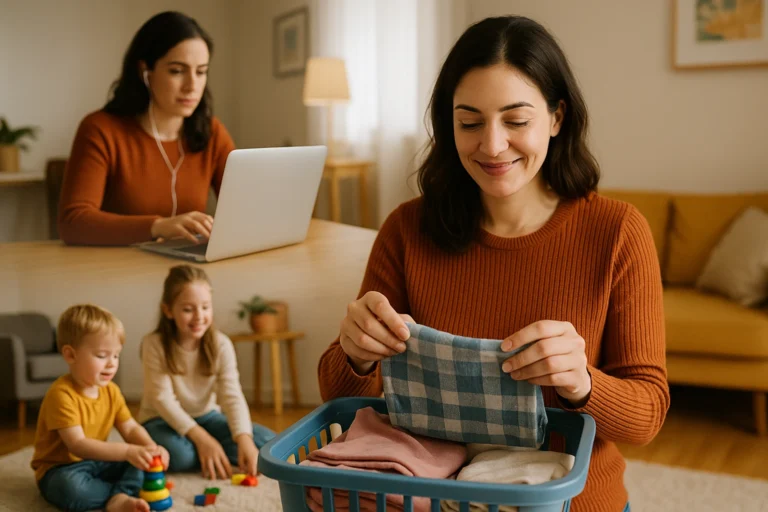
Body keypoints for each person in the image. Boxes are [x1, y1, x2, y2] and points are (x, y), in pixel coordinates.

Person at [317, 16, 668, 512]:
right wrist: (356, 355)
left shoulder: (617, 233)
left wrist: (582, 383)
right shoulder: (406, 229)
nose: (493, 144)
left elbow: (647, 415)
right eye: (470, 122)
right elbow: (339, 395)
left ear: (557, 118)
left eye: (516, 121)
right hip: (437, 500)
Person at [58, 11, 235, 246]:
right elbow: (73, 222)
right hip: (115, 272)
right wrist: (157, 226)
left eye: (201, 72)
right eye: (177, 71)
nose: (192, 86)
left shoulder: (212, 131)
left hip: (188, 275)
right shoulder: (100, 130)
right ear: (145, 72)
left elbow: (243, 210)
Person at [138, 265, 275, 480]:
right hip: (159, 420)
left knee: (267, 441)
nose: (199, 316)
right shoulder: (154, 344)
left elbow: (232, 396)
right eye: (187, 309)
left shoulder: (221, 344)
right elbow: (162, 400)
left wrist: (244, 439)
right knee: (182, 455)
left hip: (207, 417)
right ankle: (202, 449)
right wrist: (203, 440)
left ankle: (210, 450)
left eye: (205, 307)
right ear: (168, 310)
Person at [31, 304, 169, 512]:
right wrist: (128, 451)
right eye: (102, 355)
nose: (112, 364)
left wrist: (151, 448)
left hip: (99, 462)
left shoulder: (111, 391)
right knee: (71, 490)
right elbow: (77, 445)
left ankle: (118, 496)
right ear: (70, 355)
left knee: (140, 462)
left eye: (116, 355)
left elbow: (130, 428)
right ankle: (121, 494)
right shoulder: (61, 394)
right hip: (61, 469)